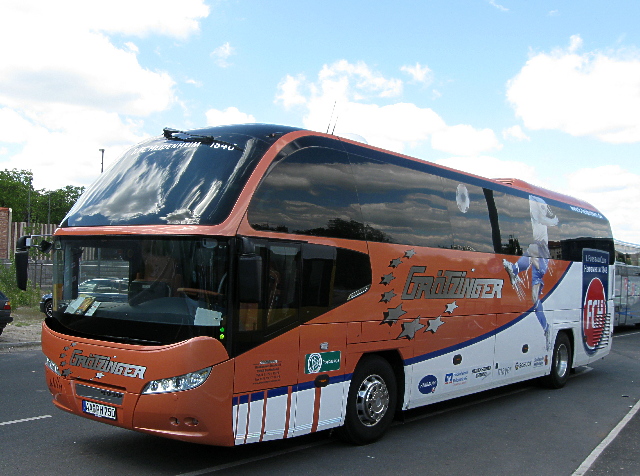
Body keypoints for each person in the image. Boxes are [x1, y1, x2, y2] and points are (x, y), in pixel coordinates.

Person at [503, 195, 558, 350]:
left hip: (541, 250)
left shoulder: (538, 212)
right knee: (535, 299)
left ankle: (514, 269)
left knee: (535, 296)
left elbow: (546, 218)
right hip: (536, 249)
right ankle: (514, 269)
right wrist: (554, 220)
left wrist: (553, 219)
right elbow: (547, 219)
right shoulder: (535, 214)